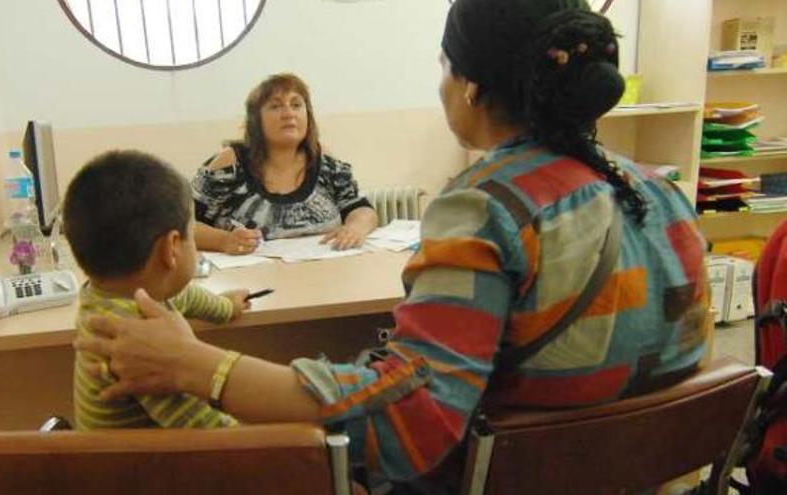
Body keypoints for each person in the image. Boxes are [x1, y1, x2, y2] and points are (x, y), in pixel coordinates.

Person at [75, 1, 711, 492]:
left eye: (443, 67)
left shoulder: (484, 208)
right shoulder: (662, 192)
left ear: (469, 87)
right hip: (651, 476)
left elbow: (408, 431)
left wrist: (200, 368)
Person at [62, 150, 250, 430]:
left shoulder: (108, 294)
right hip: (142, 471)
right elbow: (209, 433)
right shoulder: (142, 345)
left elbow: (181, 296)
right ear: (172, 247)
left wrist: (226, 307)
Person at [191, 73, 379, 254]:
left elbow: (361, 208)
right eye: (275, 106)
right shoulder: (229, 163)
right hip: (251, 280)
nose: (288, 114)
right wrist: (223, 241)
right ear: (256, 120)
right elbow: (182, 225)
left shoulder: (323, 160)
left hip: (324, 274)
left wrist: (355, 228)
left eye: (296, 105)